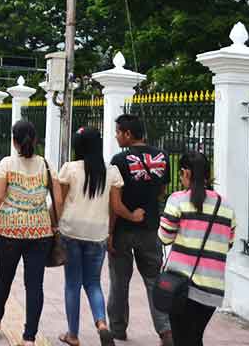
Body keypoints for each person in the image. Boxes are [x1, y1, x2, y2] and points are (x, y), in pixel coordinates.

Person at [55, 127, 144, 346]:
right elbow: (116, 207)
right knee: (93, 283)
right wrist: (124, 223)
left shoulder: (69, 169)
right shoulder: (111, 171)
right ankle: (102, 324)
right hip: (98, 234)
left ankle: (73, 335)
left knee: (72, 284)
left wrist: (53, 226)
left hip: (71, 231)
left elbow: (60, 202)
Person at [0, 121, 62, 346]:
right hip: (40, 232)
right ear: (35, 140)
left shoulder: (7, 164)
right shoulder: (46, 165)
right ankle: (29, 337)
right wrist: (54, 224)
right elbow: (59, 200)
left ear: (14, 141)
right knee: (34, 285)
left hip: (9, 230)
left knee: (4, 278)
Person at [108, 114, 172, 345]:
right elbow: (161, 190)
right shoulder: (163, 156)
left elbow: (114, 202)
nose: (116, 136)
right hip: (150, 228)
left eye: (118, 132)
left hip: (123, 229)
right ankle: (165, 331)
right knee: (154, 281)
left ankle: (117, 329)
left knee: (119, 282)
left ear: (127, 134)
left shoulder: (119, 160)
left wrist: (110, 233)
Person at [159, 152, 235, 346]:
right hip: (212, 289)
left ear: (185, 173)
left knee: (182, 339)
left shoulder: (177, 200)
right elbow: (228, 243)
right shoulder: (225, 206)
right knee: (194, 337)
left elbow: (164, 237)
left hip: (182, 287)